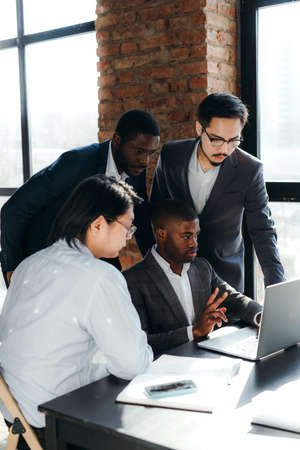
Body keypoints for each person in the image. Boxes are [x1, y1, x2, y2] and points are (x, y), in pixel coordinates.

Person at [0, 175, 153, 448]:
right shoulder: (99, 276)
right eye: (127, 228)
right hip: (56, 426)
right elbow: (133, 365)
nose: (128, 239)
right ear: (97, 224)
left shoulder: (29, 264)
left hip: (17, 415)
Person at [1, 109, 160, 285]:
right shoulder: (76, 163)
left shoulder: (135, 168)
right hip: (45, 260)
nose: (145, 160)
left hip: (93, 262)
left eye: (150, 153)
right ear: (117, 140)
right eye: (139, 151)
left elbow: (142, 222)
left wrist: (158, 268)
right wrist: (12, 267)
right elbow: (14, 210)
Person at [150, 93, 284, 292]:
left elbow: (263, 231)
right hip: (173, 276)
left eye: (233, 141)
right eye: (216, 139)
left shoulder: (250, 169)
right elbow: (155, 212)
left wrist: (277, 289)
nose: (225, 149)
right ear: (199, 128)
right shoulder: (171, 156)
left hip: (225, 281)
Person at [123, 200, 262, 354]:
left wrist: (260, 315)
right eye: (186, 237)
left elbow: (234, 299)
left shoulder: (202, 267)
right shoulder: (132, 280)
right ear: (161, 234)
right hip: (165, 372)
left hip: (207, 362)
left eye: (196, 235)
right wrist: (194, 332)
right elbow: (140, 343)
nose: (194, 244)